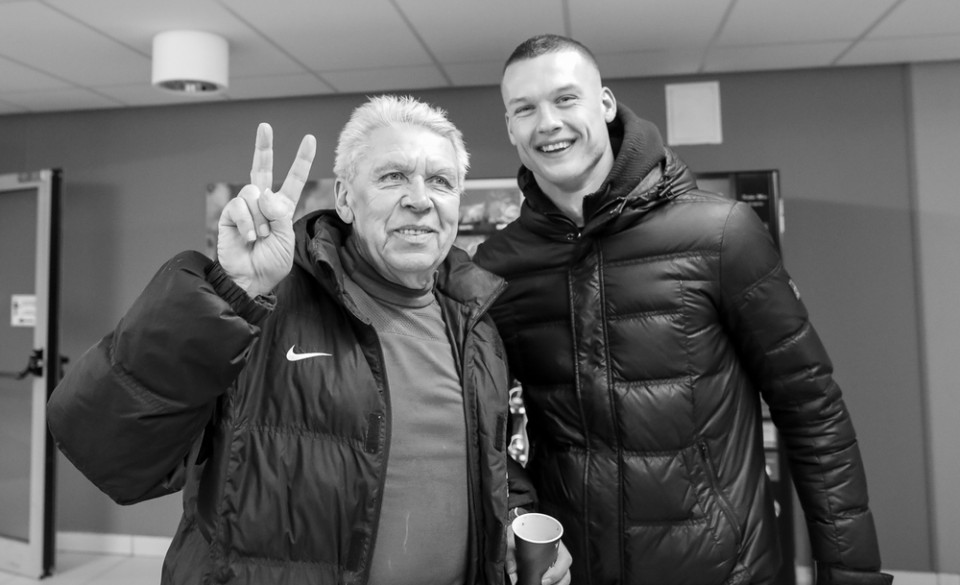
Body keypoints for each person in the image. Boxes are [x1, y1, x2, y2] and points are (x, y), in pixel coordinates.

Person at [47, 95, 571, 585]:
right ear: (344, 198)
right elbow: (106, 448)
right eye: (392, 177)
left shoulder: (477, 325)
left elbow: (484, 461)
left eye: (440, 181)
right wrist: (229, 294)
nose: (419, 199)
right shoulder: (262, 306)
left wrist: (512, 517)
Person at [473, 34, 894, 585]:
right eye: (525, 109)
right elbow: (481, 427)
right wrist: (520, 515)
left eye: (565, 98)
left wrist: (851, 573)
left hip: (727, 571)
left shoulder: (721, 234)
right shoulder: (498, 266)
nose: (547, 123)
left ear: (605, 104)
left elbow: (813, 409)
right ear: (510, 128)